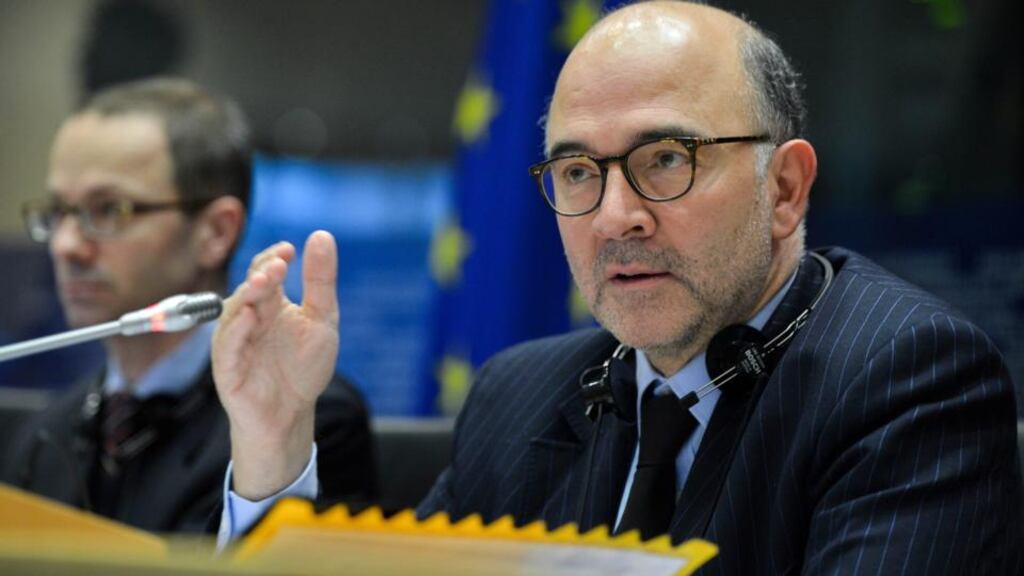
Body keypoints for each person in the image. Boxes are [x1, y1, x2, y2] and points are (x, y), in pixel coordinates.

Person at [211, 1, 1022, 572]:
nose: (613, 216)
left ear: (783, 188)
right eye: (576, 171)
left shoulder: (908, 378)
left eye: (665, 159)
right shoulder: (519, 396)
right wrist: (275, 440)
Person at [2, 77, 375, 534]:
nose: (65, 245)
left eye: (109, 210)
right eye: (59, 212)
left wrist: (274, 448)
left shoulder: (304, 417)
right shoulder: (46, 432)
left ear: (215, 232)